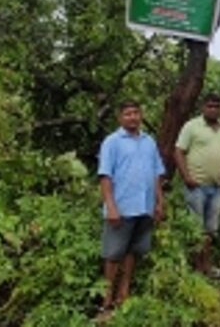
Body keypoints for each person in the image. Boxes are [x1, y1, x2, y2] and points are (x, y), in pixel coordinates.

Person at [97, 100, 165, 315]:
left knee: (132, 251)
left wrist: (159, 201)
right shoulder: (112, 142)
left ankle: (123, 294)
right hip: (122, 207)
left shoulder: (149, 141)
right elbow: (105, 176)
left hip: (144, 207)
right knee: (113, 253)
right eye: (127, 114)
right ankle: (106, 299)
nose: (133, 117)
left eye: (136, 113)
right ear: (120, 118)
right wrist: (111, 206)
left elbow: (156, 174)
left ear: (141, 115)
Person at [174, 93, 220, 272]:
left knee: (210, 230)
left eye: (216, 106)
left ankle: (206, 265)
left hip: (217, 187)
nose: (213, 109)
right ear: (202, 107)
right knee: (195, 229)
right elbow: (178, 152)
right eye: (209, 106)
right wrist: (186, 177)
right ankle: (196, 267)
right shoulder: (191, 126)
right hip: (196, 186)